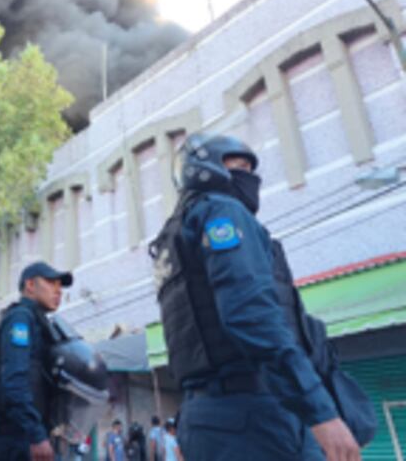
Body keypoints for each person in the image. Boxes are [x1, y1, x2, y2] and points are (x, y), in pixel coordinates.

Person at [150, 133, 361, 461]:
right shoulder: (222, 210)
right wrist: (319, 410)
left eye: (250, 167)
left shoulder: (172, 238)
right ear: (201, 170)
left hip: (204, 417)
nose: (248, 176)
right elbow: (250, 314)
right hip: (255, 415)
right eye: (237, 166)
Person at [0, 260, 74, 461]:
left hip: (29, 437)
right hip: (18, 441)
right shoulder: (20, 318)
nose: (58, 291)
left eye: (60, 286)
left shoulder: (39, 322)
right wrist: (36, 434)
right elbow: (14, 381)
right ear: (30, 285)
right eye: (51, 283)